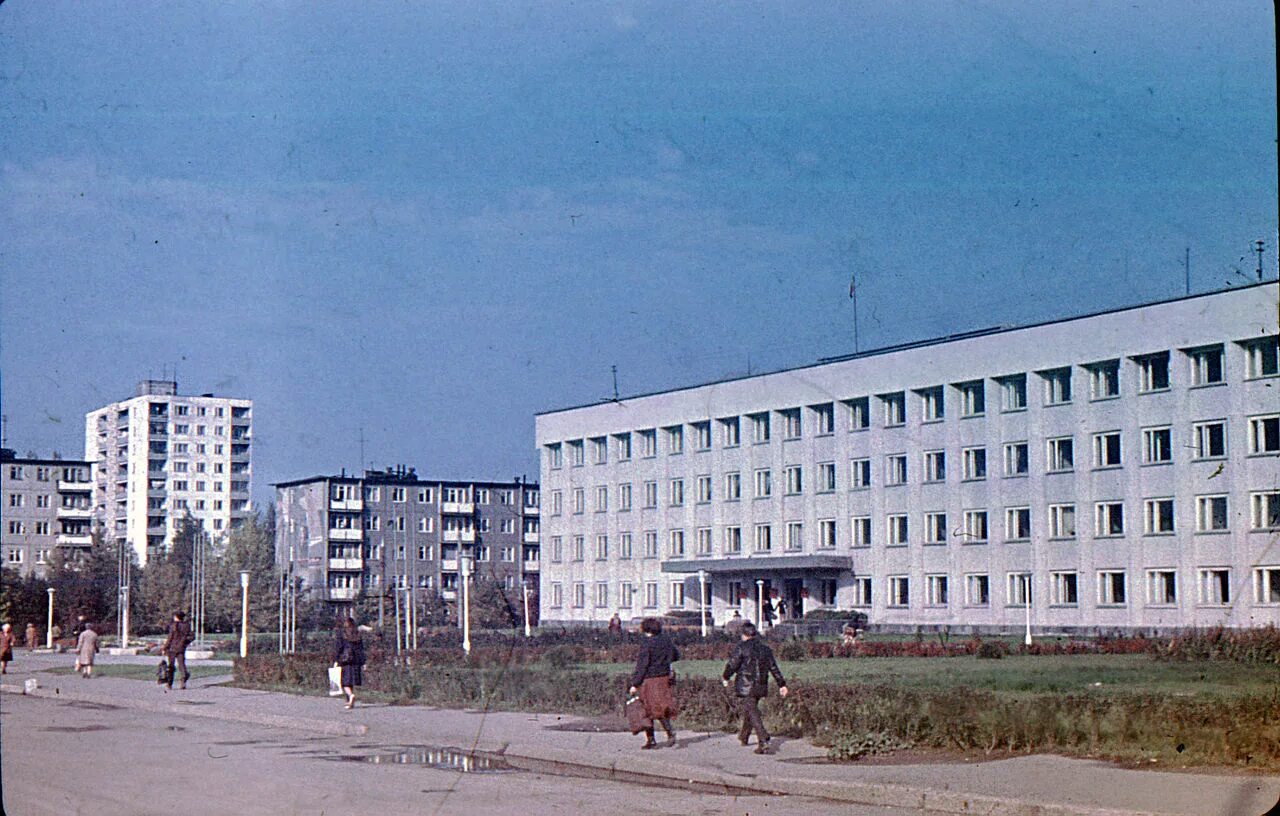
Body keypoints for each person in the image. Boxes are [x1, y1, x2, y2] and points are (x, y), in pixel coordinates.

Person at [721, 621, 789, 754]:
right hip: (761, 684)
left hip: (746, 685)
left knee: (752, 710)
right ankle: (744, 736)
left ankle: (763, 739)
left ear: (744, 635)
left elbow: (732, 665)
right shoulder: (766, 649)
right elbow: (774, 668)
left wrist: (725, 677)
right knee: (750, 710)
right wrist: (782, 684)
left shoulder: (741, 647)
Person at [627, 617, 680, 749]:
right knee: (661, 707)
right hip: (664, 678)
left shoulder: (647, 643)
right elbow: (676, 655)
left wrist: (635, 683)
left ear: (646, 629)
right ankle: (669, 733)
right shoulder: (666, 641)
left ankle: (651, 739)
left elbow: (642, 665)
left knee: (647, 709)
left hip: (649, 680)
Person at [332, 617, 365, 710]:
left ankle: (350, 696)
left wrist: (336, 660)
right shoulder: (357, 635)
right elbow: (361, 650)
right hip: (355, 662)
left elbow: (339, 648)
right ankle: (349, 702)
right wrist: (363, 662)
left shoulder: (342, 635)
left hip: (345, 661)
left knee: (344, 683)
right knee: (351, 682)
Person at [162, 610, 195, 690]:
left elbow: (170, 638)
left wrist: (164, 647)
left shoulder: (173, 626)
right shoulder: (186, 626)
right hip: (181, 648)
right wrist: (185, 642)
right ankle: (183, 680)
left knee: (171, 666)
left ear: (176, 617)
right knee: (181, 665)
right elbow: (192, 637)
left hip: (172, 648)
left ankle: (169, 684)